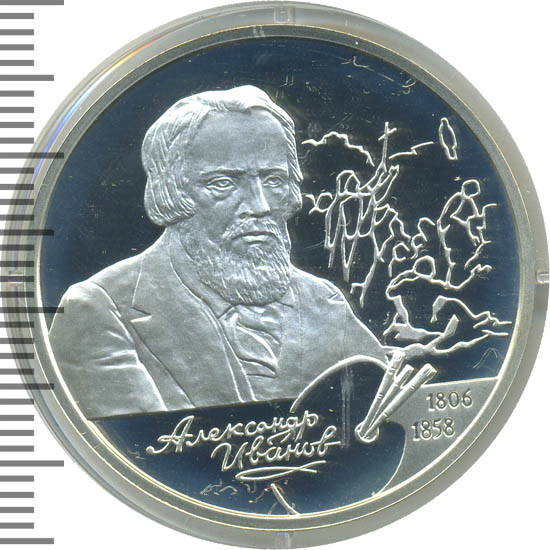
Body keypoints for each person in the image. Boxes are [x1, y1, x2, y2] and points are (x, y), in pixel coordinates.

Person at [49, 85, 387, 419]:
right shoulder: (99, 310)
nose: (260, 206)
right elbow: (141, 442)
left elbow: (385, 412)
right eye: (224, 183)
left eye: (273, 180)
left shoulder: (323, 301)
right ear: (172, 192)